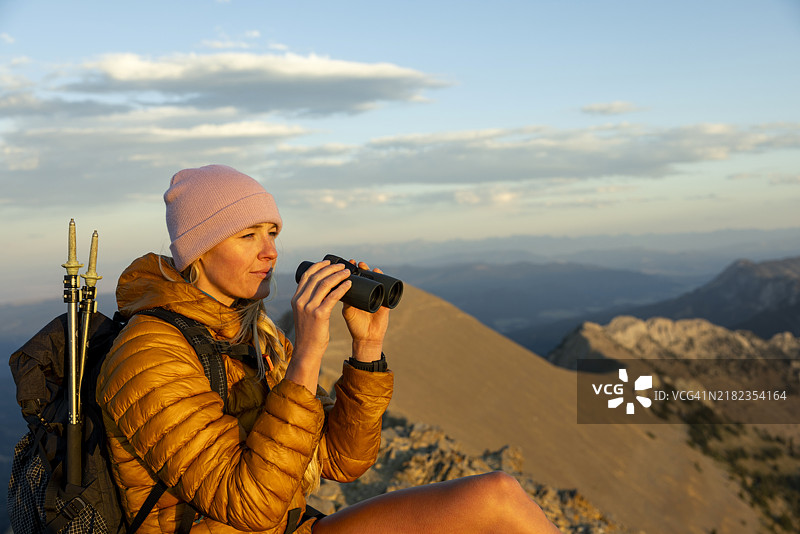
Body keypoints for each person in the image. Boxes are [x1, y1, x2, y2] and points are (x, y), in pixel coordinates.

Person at [97, 164, 562, 533]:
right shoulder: (147, 356)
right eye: (248, 235)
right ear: (198, 251)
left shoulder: (251, 334)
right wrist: (307, 354)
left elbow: (341, 460)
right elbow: (249, 505)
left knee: (497, 496)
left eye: (272, 233)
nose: (270, 252)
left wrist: (367, 347)